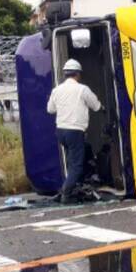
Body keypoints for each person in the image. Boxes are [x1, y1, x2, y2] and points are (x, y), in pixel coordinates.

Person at [47, 59, 102, 204]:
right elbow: (96, 106)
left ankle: (70, 189)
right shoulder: (82, 89)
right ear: (78, 74)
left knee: (72, 163)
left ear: (65, 74)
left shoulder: (56, 90)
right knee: (77, 166)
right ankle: (66, 193)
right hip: (75, 131)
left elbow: (50, 109)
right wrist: (102, 108)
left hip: (61, 131)